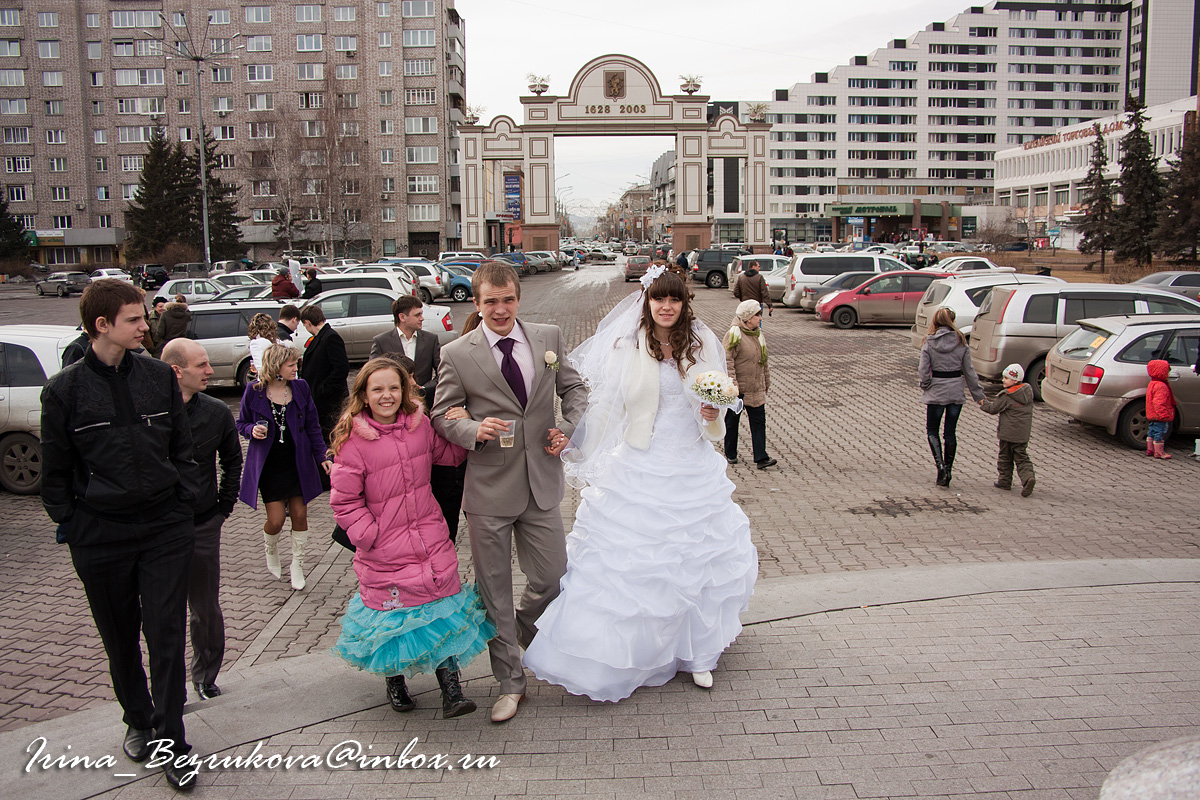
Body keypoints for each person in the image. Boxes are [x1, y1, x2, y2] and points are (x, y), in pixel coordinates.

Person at [523, 267, 758, 702]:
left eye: (674, 300)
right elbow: (609, 405)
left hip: (690, 462)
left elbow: (721, 397)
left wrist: (713, 413)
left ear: (685, 304)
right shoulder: (629, 344)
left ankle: (698, 653)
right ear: (647, 303)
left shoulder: (702, 342)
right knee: (640, 565)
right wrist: (575, 444)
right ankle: (637, 653)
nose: (666, 307)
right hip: (641, 462)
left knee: (695, 559)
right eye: (658, 300)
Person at [39, 279, 199, 790]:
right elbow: (55, 471)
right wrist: (73, 521)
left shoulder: (157, 377)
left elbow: (182, 447)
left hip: (163, 528)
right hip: (100, 535)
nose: (145, 326)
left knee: (167, 635)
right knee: (121, 637)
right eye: (134, 319)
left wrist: (181, 503)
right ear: (101, 325)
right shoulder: (63, 390)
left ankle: (172, 740)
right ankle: (138, 718)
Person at [430, 262, 588, 723]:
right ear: (476, 305)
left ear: (518, 299)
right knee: (493, 589)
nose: (500, 309)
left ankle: (521, 628)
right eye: (490, 302)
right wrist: (474, 428)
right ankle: (510, 682)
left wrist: (569, 428)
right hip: (489, 489)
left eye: (507, 300)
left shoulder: (548, 338)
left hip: (541, 481)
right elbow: (442, 415)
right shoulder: (457, 353)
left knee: (553, 576)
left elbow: (574, 387)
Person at [328, 358, 494, 718]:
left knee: (440, 608)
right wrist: (368, 536)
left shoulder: (420, 426)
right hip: (384, 546)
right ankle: (395, 680)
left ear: (405, 390)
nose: (386, 395)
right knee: (393, 618)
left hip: (428, 535)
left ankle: (452, 688)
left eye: (393, 388)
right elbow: (344, 501)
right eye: (378, 389)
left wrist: (462, 428)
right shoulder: (352, 441)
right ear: (364, 396)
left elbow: (447, 456)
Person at [161, 339, 242, 700]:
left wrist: (222, 508)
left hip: (203, 522)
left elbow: (232, 461)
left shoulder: (215, 412)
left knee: (205, 608)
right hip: (158, 528)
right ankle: (165, 685)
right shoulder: (150, 410)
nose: (211, 371)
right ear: (177, 371)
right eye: (203, 365)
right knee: (163, 610)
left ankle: (205, 674)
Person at [236, 343, 332, 591]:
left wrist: (322, 455)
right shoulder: (254, 390)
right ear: (275, 366)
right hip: (269, 466)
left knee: (300, 515)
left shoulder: (300, 387)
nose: (296, 367)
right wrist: (251, 430)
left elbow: (313, 425)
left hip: (298, 463)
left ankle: (297, 565)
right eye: (291, 364)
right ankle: (271, 547)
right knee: (276, 520)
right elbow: (242, 423)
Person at [918, 307, 984, 487]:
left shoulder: (929, 342)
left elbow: (923, 370)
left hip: (936, 391)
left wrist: (925, 385)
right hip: (955, 390)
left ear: (935, 321)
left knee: (932, 429)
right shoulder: (961, 341)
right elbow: (969, 371)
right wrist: (978, 394)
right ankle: (948, 468)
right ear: (952, 321)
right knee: (950, 432)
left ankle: (940, 466)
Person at [723, 300, 775, 469]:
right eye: (757, 315)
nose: (760, 318)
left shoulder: (758, 335)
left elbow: (763, 361)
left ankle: (761, 457)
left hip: (756, 387)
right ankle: (730, 453)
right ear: (747, 318)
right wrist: (733, 384)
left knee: (759, 422)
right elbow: (727, 360)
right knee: (732, 422)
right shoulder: (734, 334)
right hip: (739, 388)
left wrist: (766, 380)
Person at [979, 363, 1036, 495]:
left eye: (1006, 378)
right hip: (1022, 434)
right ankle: (1028, 478)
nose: (1003, 380)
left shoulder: (1007, 395)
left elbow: (993, 409)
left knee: (1005, 457)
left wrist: (983, 403)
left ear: (1015, 380)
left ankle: (1004, 481)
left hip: (1007, 434)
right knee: (1021, 457)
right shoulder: (1027, 392)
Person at [298, 305, 350, 441]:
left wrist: (323, 389)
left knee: (331, 436)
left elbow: (341, 368)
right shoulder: (320, 337)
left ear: (308, 323)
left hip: (329, 400)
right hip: (321, 399)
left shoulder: (330, 337)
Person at [1145, 359, 1177, 460]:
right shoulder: (1161, 386)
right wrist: (1163, 414)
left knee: (1152, 430)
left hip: (1152, 414)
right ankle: (1159, 452)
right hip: (1159, 415)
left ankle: (1150, 449)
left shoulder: (1153, 383)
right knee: (1159, 432)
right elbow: (1159, 402)